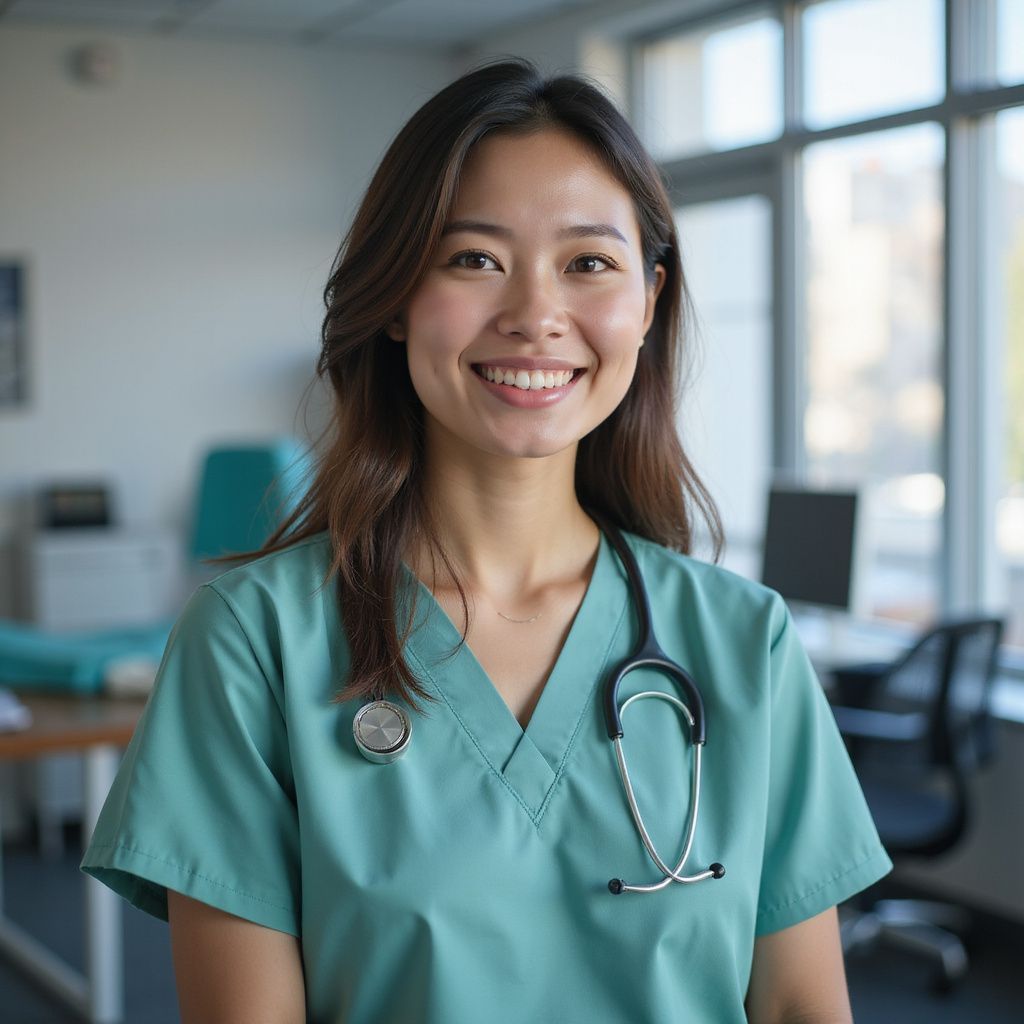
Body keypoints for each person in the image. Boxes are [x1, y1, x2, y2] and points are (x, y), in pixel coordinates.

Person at [82, 58, 891, 1023]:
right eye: (474, 259)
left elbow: (803, 1007)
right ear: (394, 297)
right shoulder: (253, 641)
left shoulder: (744, 642)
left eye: (588, 263)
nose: (535, 316)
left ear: (648, 300)